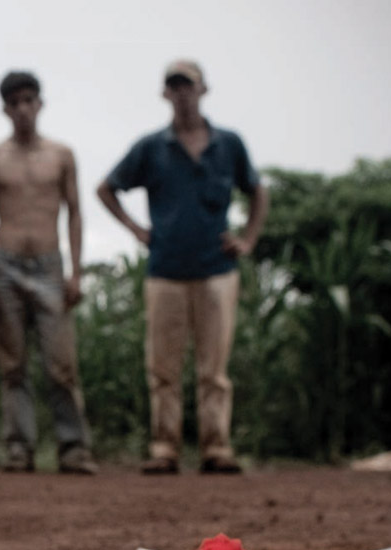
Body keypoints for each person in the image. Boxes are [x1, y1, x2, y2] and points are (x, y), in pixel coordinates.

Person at [96, 59, 269, 475]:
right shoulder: (152, 147)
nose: (182, 93)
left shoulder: (229, 144)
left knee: (214, 367)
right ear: (165, 94)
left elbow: (258, 191)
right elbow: (107, 188)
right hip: (166, 270)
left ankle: (216, 448)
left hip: (216, 269)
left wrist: (247, 238)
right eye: (174, 86)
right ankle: (165, 448)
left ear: (203, 90)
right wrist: (136, 229)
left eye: (188, 85)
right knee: (163, 366)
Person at [0, 71, 97, 475]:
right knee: (13, 364)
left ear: (40, 104)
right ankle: (19, 449)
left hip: (49, 264)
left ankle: (73, 449)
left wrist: (75, 272)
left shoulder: (61, 155)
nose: (22, 109)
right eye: (14, 102)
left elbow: (74, 213)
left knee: (61, 364)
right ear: (5, 108)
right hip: (5, 264)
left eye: (29, 100)